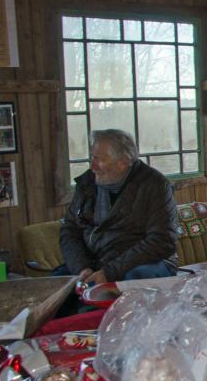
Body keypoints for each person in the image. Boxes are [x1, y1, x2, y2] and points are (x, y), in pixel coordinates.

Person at [56, 130, 178, 309]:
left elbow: (162, 241)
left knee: (129, 284)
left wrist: (109, 272)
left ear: (122, 163)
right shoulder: (87, 183)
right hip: (94, 263)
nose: (92, 166)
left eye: (98, 159)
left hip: (142, 263)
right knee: (57, 287)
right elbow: (70, 230)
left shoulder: (154, 185)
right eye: (92, 158)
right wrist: (82, 268)